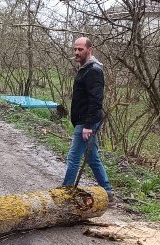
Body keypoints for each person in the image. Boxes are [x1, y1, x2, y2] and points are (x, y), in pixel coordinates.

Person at [62, 37, 114, 201]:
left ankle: (65, 194)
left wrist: (88, 125)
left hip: (86, 122)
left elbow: (96, 100)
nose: (76, 52)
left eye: (80, 49)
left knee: (74, 158)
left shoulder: (93, 71)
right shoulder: (84, 68)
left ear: (89, 50)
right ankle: (107, 191)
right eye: (75, 49)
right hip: (83, 121)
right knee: (92, 158)